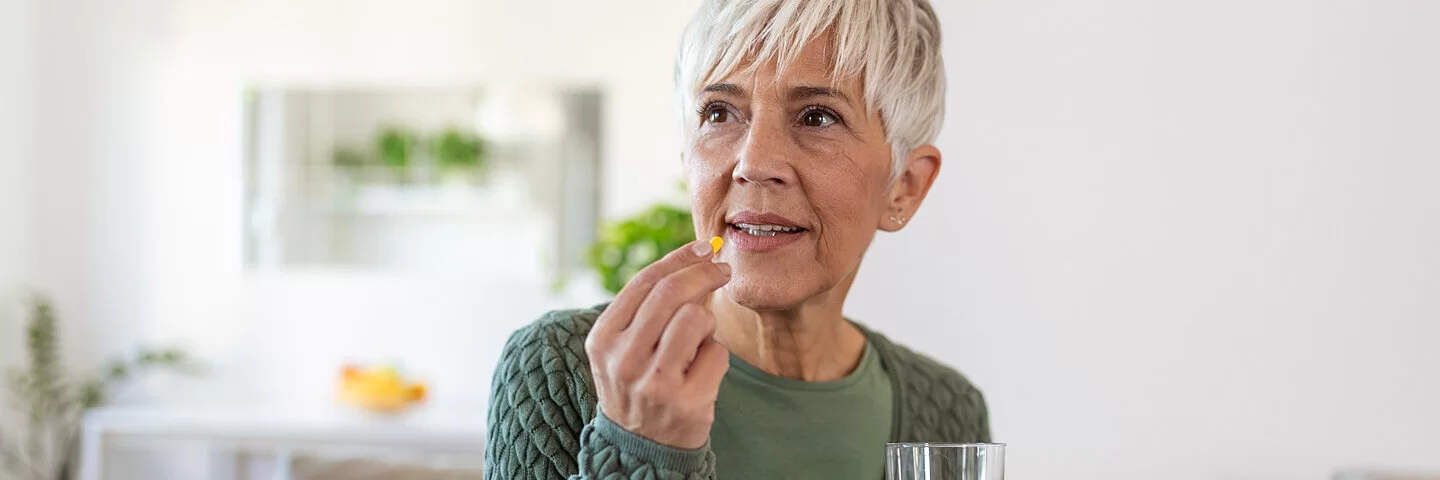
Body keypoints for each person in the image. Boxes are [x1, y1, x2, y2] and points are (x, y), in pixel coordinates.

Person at [486, 0, 989, 478]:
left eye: (817, 116)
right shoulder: (558, 370)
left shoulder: (948, 410)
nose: (753, 164)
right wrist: (641, 450)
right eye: (719, 113)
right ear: (688, 159)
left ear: (905, 186)